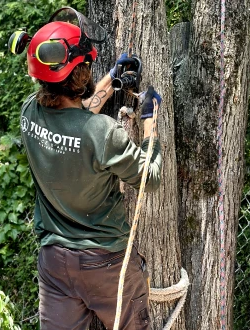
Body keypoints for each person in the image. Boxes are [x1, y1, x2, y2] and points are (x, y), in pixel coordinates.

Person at [17, 8, 162, 330]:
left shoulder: (29, 112)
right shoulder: (103, 132)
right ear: (82, 72)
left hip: (54, 262)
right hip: (106, 263)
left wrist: (111, 78)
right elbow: (149, 179)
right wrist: (151, 124)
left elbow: (74, 116)